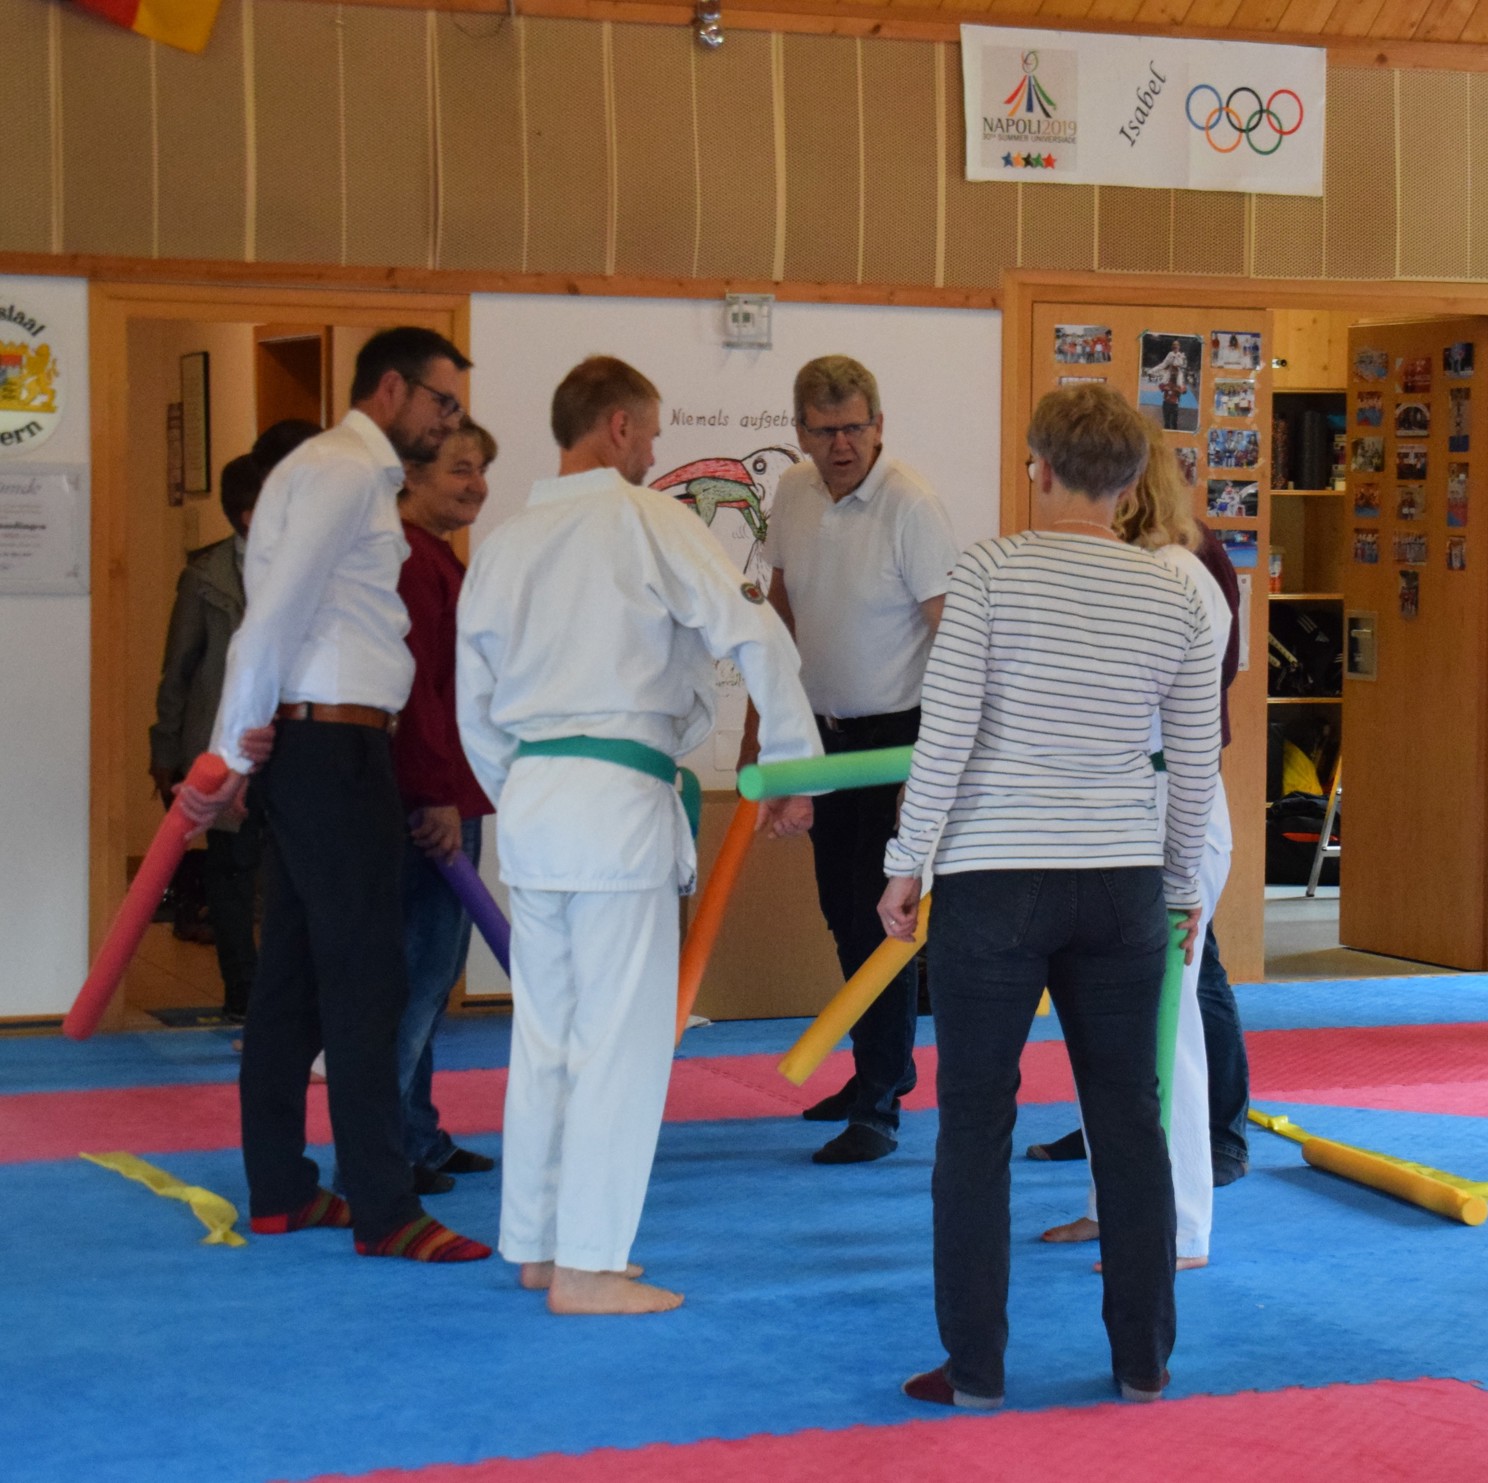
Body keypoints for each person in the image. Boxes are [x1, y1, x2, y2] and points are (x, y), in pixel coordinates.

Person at [456, 355, 822, 1314]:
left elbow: (473, 706)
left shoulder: (503, 543)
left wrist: (522, 792)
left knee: (545, 1034)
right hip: (616, 807)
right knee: (621, 1039)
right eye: (651, 434)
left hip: (533, 806)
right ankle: (587, 1263)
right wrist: (793, 768)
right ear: (617, 425)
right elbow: (757, 635)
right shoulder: (648, 521)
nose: (654, 453)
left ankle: (539, 1245)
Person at [881, 384, 1219, 1409]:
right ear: (1132, 482)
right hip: (1120, 880)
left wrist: (906, 860)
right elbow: (1192, 763)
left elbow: (945, 735)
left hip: (995, 877)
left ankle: (975, 1369)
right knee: (1130, 1117)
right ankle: (1143, 1360)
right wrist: (1179, 886)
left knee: (974, 1121)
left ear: (1037, 467)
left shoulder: (988, 571)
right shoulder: (1177, 594)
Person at [179, 326, 491, 1264]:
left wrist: (252, 740)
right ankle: (385, 1207)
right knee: (367, 976)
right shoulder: (346, 470)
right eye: (441, 403)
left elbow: (291, 611)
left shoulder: (342, 472)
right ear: (391, 389)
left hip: (326, 739)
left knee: (295, 975)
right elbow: (271, 614)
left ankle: (281, 1186)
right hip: (332, 745)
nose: (449, 423)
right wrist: (229, 753)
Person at [740, 354, 956, 1164]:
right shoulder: (794, 493)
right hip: (822, 735)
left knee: (880, 917)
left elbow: (952, 637)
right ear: (799, 432)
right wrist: (763, 734)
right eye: (826, 430)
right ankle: (878, 1067)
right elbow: (779, 615)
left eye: (856, 428)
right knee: (841, 908)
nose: (842, 444)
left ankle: (879, 1103)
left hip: (899, 739)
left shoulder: (911, 506)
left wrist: (931, 768)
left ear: (879, 425)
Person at [1034, 427, 1235, 1271]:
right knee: (1100, 1021)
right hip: (1114, 813)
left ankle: (1179, 1225)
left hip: (1171, 805)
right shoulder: (1122, 569)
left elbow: (1192, 723)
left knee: (1164, 1023)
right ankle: (1109, 1202)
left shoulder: (1179, 573)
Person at [390, 417, 499, 1195]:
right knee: (419, 976)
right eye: (460, 469)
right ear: (411, 474)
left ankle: (415, 1133)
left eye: (481, 470)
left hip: (453, 784)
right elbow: (414, 690)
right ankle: (384, 1145)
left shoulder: (437, 555)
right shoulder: (408, 560)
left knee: (433, 973)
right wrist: (431, 793)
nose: (476, 485)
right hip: (430, 797)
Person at [150, 453, 292, 1018]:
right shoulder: (206, 577)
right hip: (223, 746)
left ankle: (281, 992)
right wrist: (165, 750)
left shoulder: (303, 565)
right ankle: (242, 991)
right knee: (231, 867)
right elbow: (179, 671)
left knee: (282, 867)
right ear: (249, 514)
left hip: (289, 743)